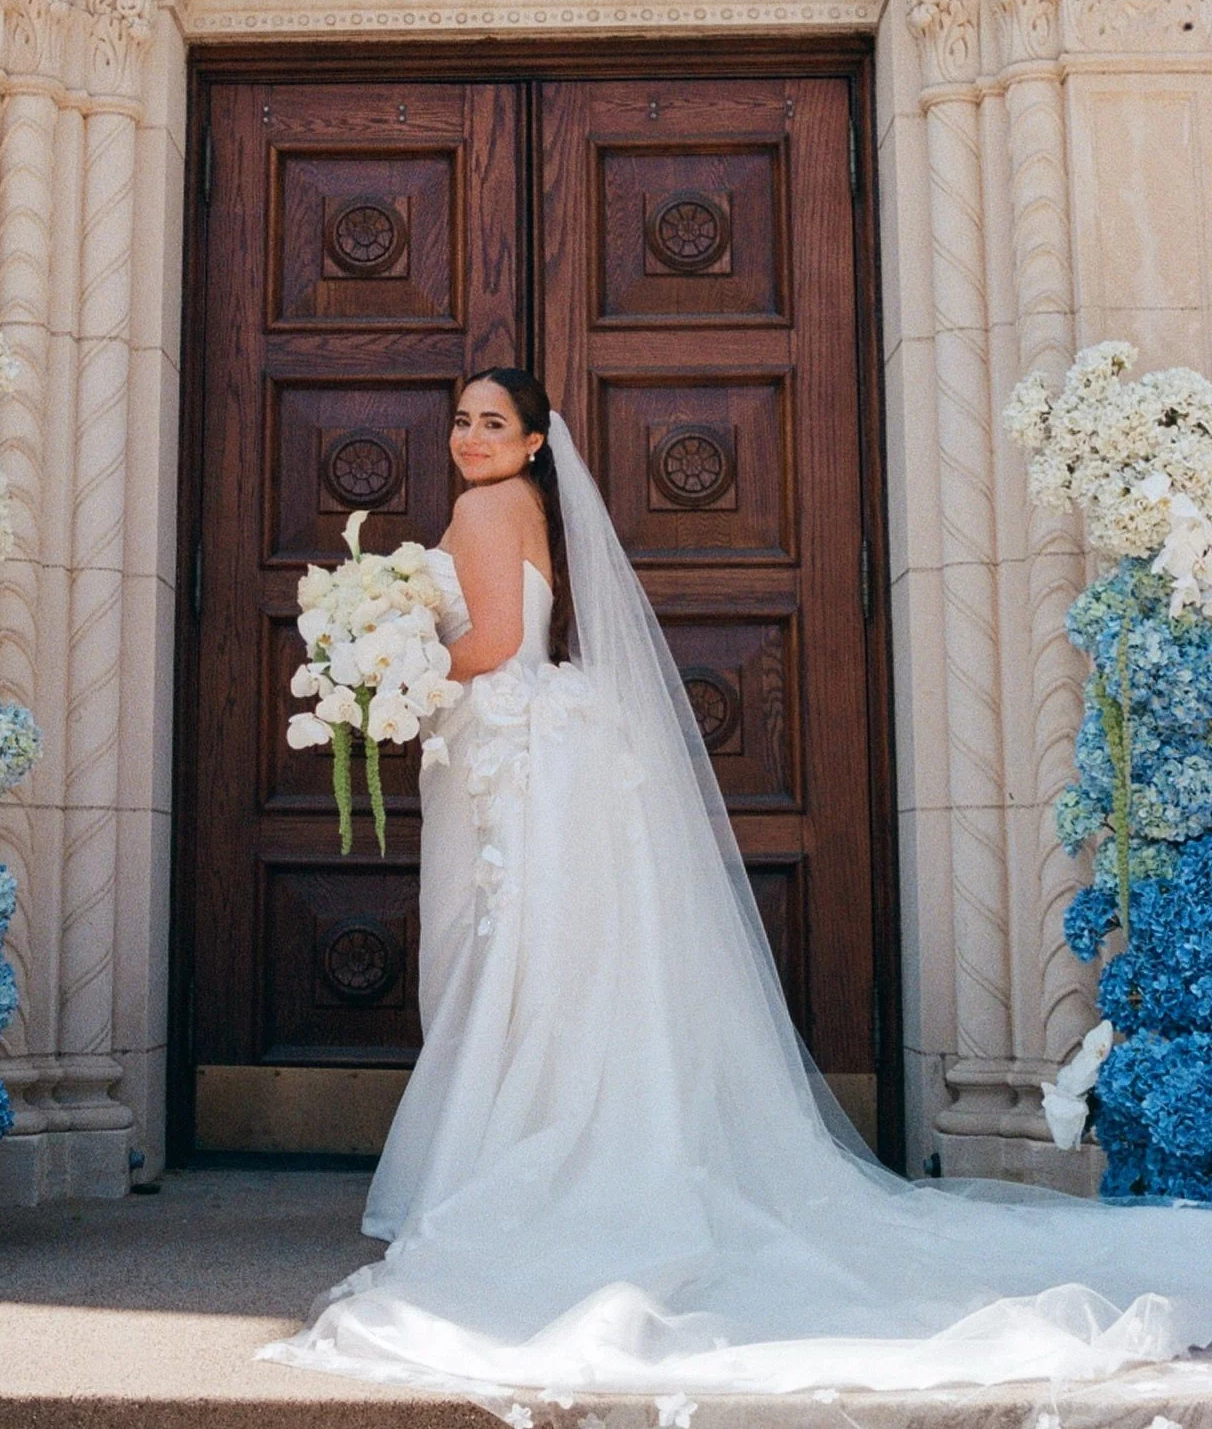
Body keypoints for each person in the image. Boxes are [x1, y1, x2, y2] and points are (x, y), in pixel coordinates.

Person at [258, 368, 1212, 1411]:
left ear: (535, 443)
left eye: (494, 423)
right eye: (461, 422)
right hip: (541, 745)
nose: (471, 438)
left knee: (514, 954)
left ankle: (523, 1161)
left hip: (509, 753)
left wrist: (380, 670)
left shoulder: (486, 507)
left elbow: (486, 645)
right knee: (551, 955)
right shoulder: (527, 505)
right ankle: (572, 1139)